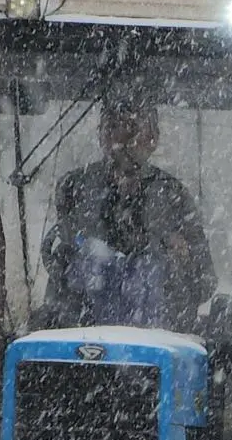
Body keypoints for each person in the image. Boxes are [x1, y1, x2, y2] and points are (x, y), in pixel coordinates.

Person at [40, 90, 216, 330]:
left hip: (159, 341)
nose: (120, 140)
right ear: (101, 134)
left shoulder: (173, 195)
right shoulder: (75, 188)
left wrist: (179, 259)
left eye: (131, 128)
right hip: (80, 341)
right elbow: (61, 272)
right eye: (112, 126)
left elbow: (204, 282)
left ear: (153, 137)